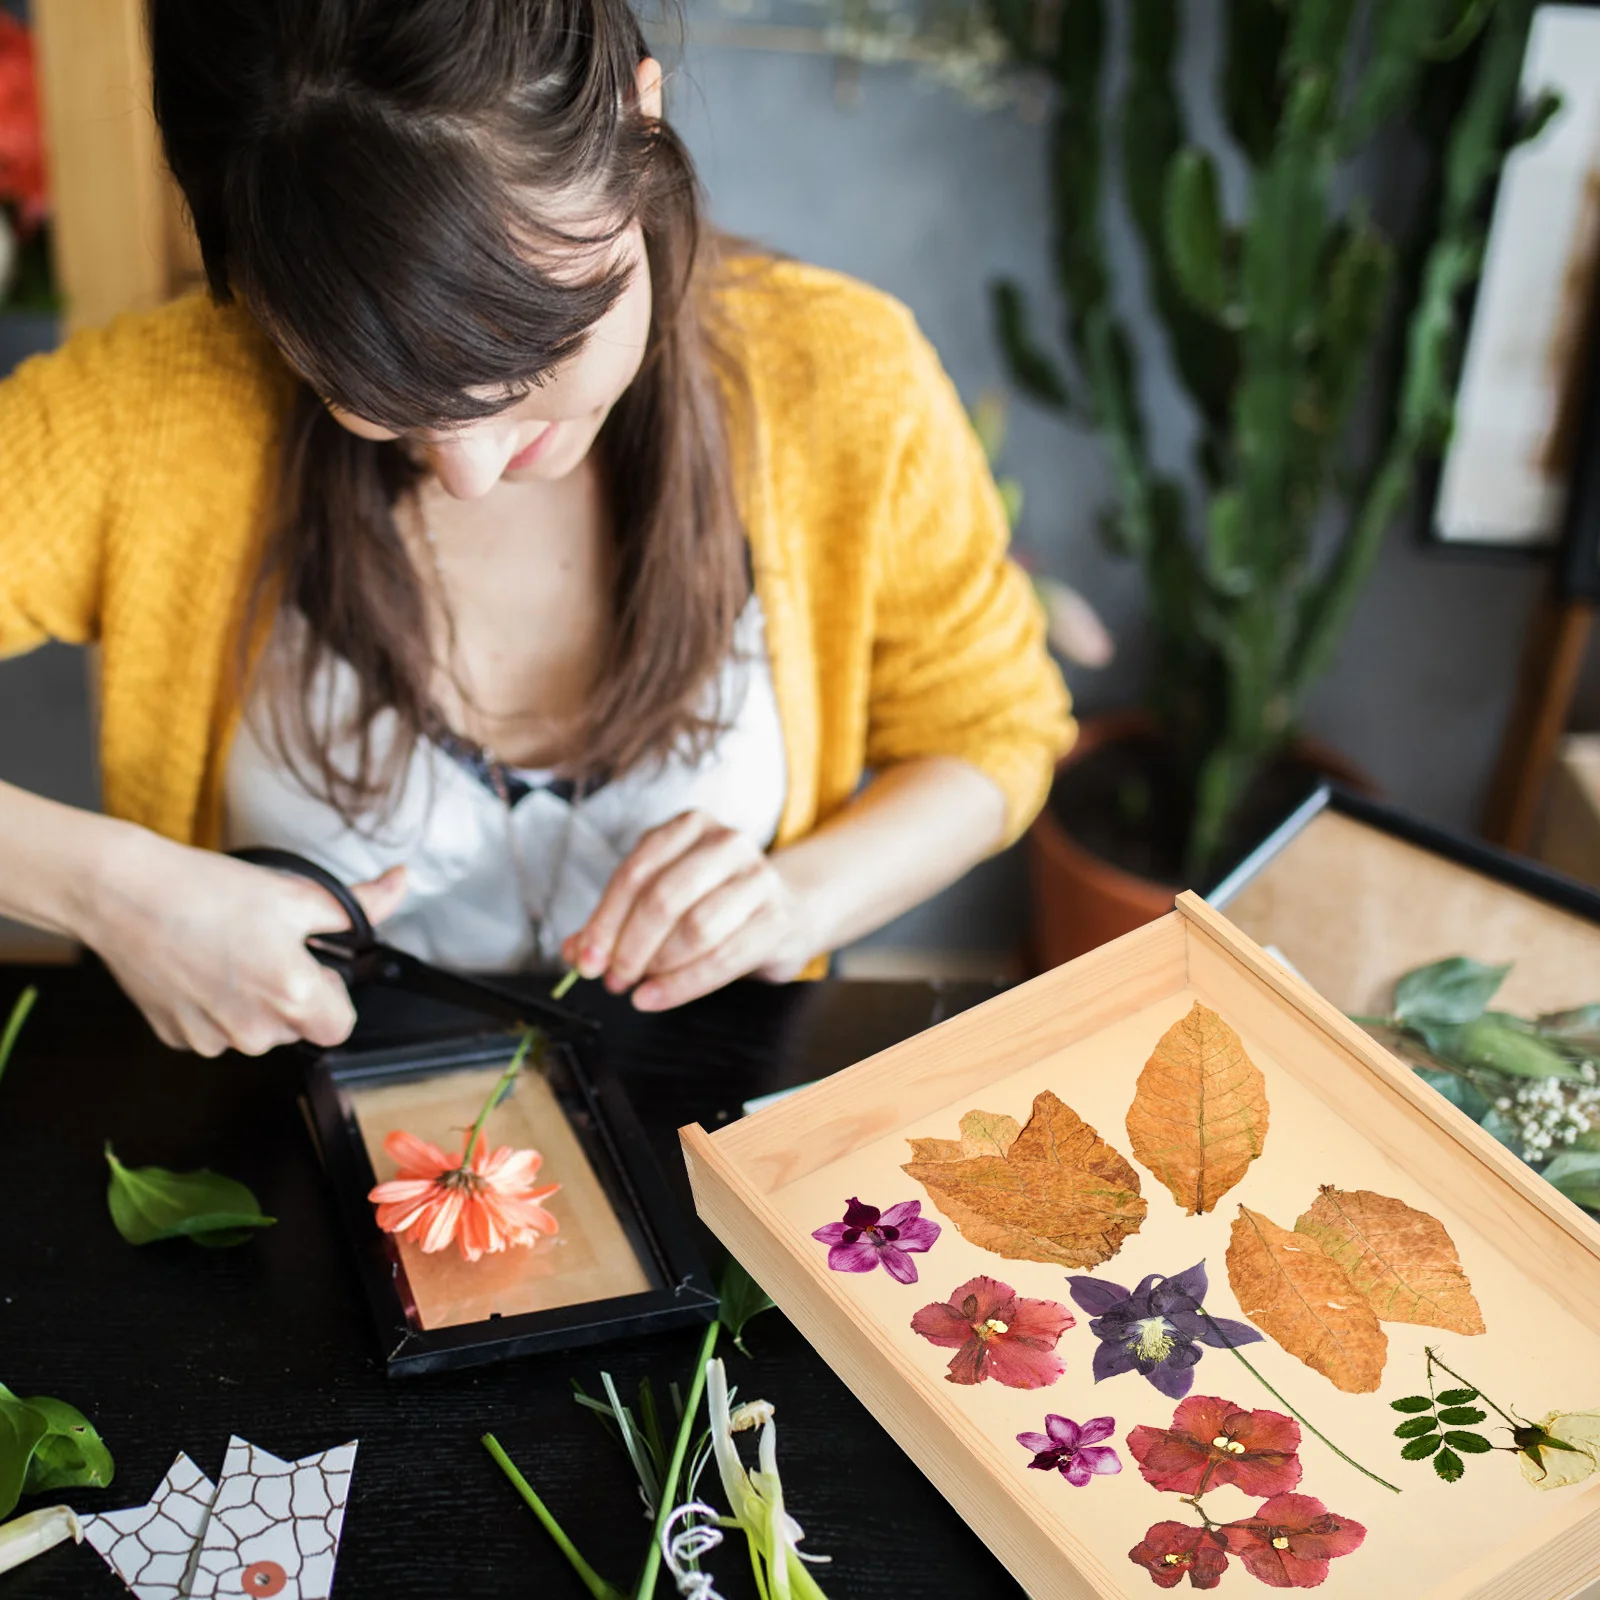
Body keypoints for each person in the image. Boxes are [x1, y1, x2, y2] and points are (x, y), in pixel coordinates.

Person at [0, 0, 1072, 1057]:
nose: (468, 469)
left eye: (538, 352)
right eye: (374, 390)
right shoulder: (143, 414)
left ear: (638, 120)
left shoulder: (842, 380)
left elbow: (993, 730)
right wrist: (107, 890)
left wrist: (796, 900)